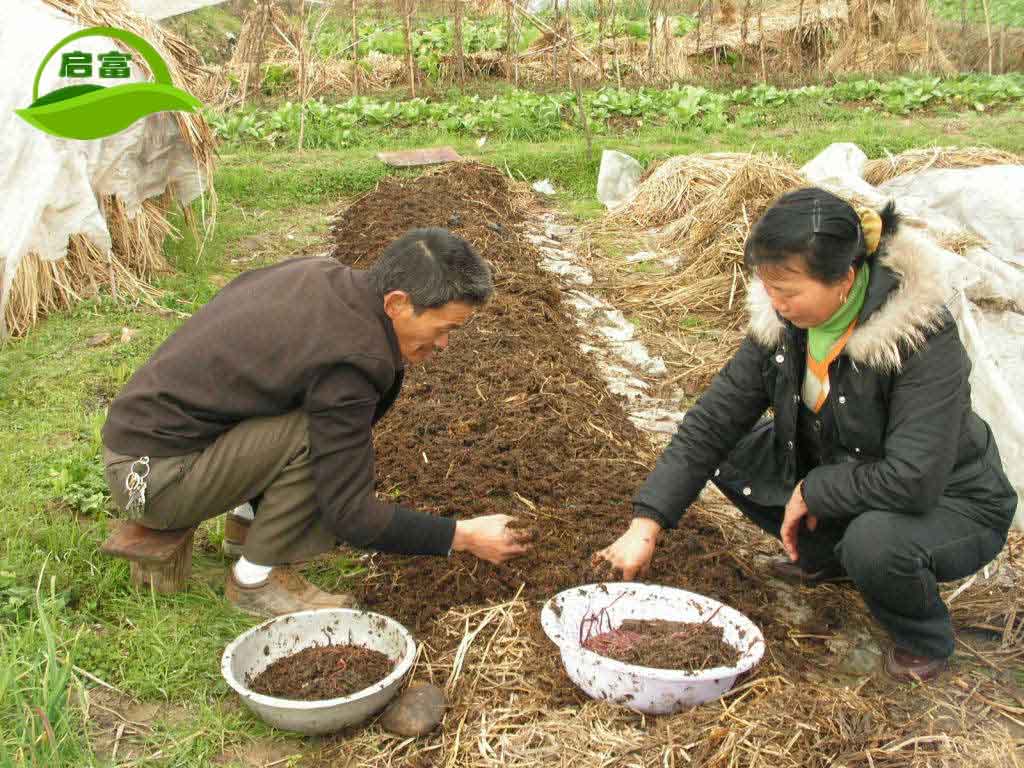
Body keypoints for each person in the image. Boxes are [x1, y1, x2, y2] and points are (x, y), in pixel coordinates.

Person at [594, 188, 1017, 682]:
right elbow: (712, 422)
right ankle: (827, 558)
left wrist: (813, 489)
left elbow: (915, 478)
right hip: (850, 471)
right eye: (768, 287)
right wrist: (646, 525)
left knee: (875, 544)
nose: (776, 303)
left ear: (844, 277)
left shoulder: (918, 337)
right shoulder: (784, 325)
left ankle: (923, 636)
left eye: (789, 290)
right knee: (730, 448)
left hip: (951, 500)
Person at [102, 228, 531, 617]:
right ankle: (255, 581)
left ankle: (247, 527)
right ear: (397, 303)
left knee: (309, 413)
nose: (444, 344)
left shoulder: (327, 278)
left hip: (157, 447)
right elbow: (350, 515)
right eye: (443, 328)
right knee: (314, 435)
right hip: (151, 482)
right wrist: (463, 535)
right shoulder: (351, 359)